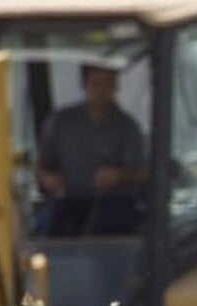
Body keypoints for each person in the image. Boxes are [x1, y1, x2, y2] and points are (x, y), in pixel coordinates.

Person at [35, 63, 147, 236]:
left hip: (114, 203)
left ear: (115, 87)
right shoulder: (61, 122)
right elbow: (42, 166)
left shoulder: (127, 127)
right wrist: (48, 179)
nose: (101, 90)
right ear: (85, 85)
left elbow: (142, 174)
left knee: (105, 222)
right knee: (46, 227)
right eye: (96, 84)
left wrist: (118, 176)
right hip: (68, 200)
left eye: (107, 84)